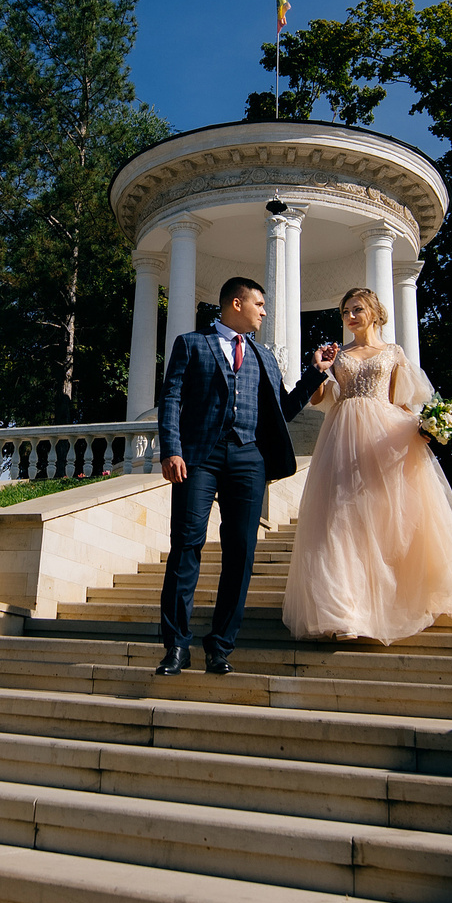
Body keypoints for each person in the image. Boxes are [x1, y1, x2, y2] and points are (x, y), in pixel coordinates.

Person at [282, 286, 452, 644]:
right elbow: (320, 399)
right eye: (345, 311)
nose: (349, 317)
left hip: (384, 436)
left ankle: (395, 601)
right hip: (342, 435)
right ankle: (342, 612)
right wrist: (319, 369)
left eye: (356, 309)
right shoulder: (337, 353)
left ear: (374, 312)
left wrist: (427, 428)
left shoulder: (393, 353)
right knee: (340, 520)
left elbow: (402, 403)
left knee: (385, 521)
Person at [154, 275, 332, 675]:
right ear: (236, 304)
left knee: (242, 554)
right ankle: (176, 647)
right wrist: (172, 449)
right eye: (260, 305)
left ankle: (220, 646)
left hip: (249, 459)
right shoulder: (191, 344)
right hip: (198, 458)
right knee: (186, 546)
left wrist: (314, 374)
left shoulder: (265, 357)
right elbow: (171, 399)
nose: (264, 313)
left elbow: (281, 414)